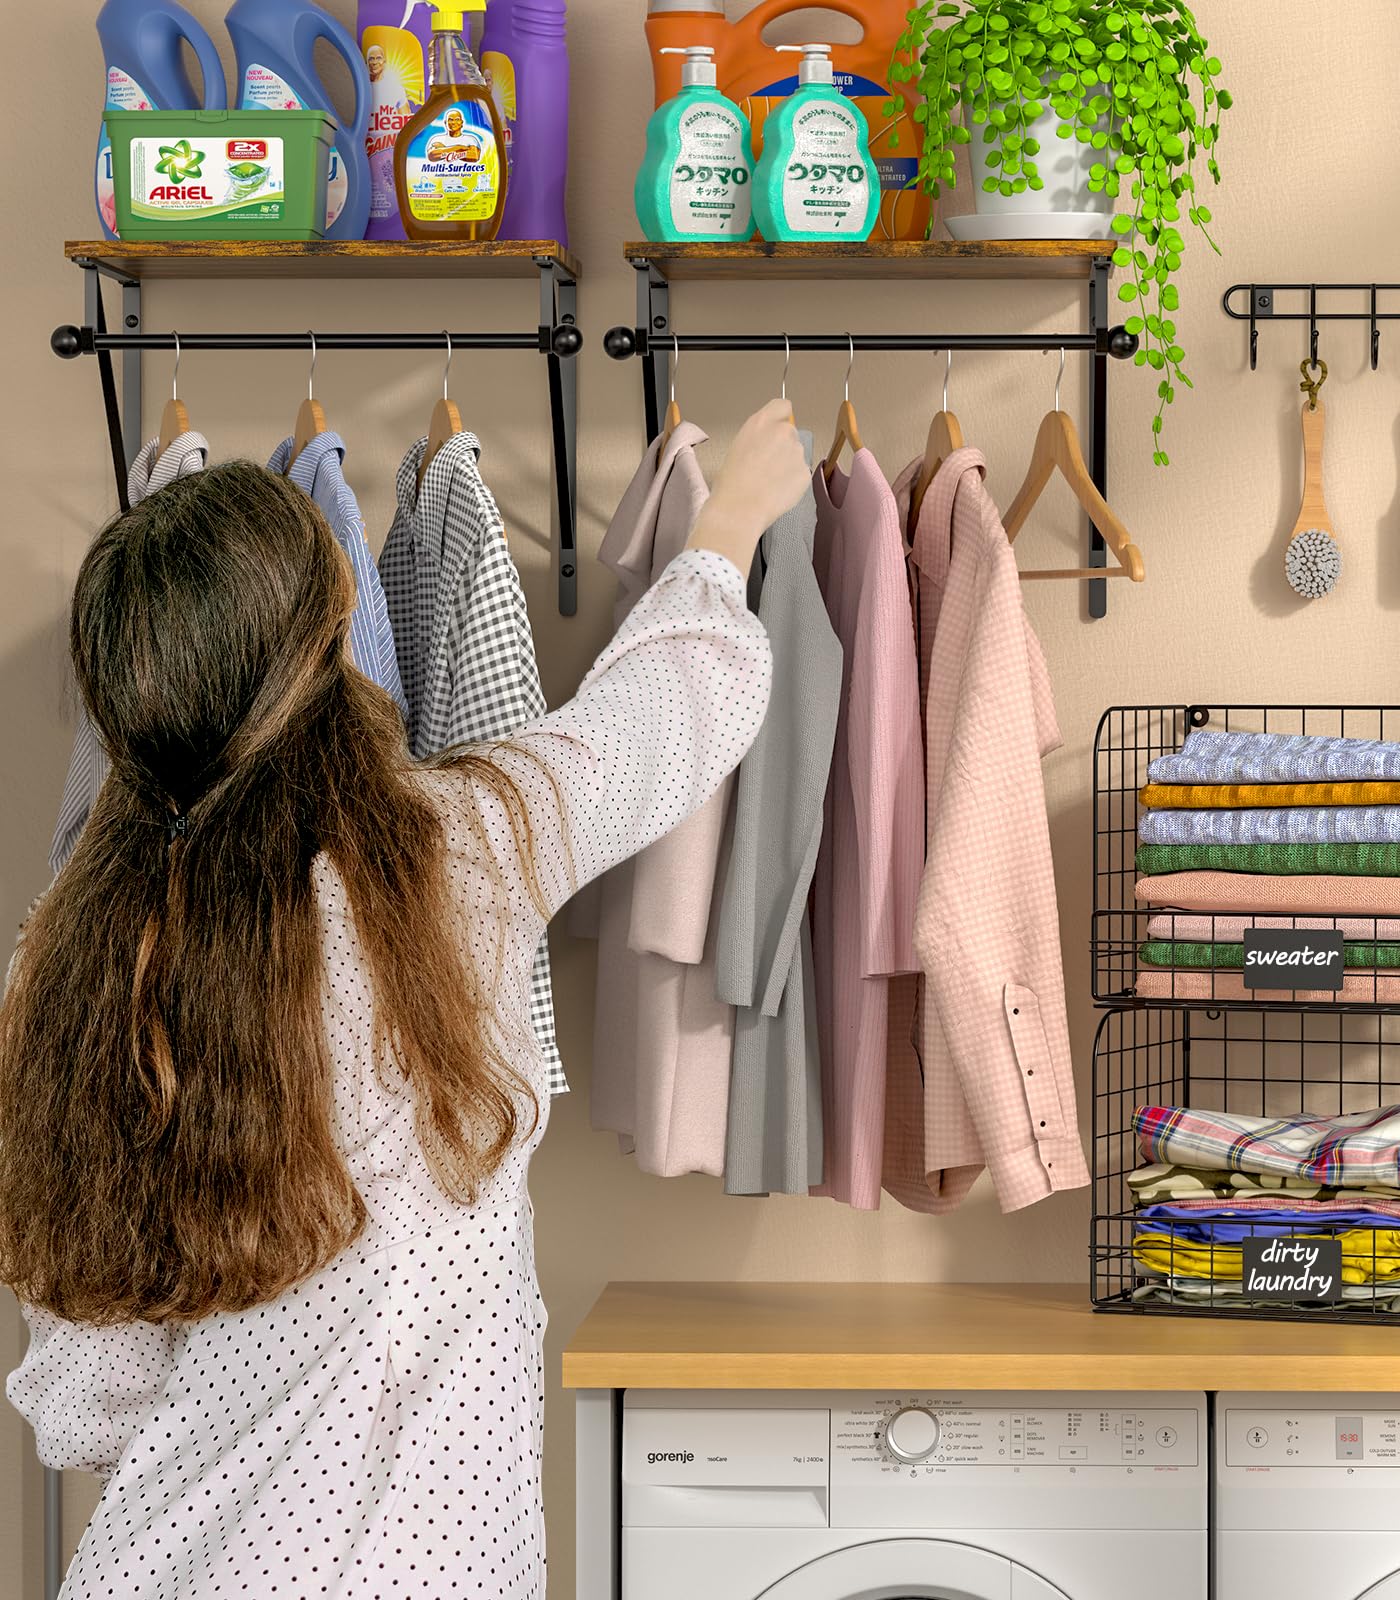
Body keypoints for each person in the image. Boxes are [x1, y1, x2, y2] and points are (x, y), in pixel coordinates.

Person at [0, 400, 809, 1598]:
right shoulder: (453, 861)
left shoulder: (62, 966)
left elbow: (84, 1409)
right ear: (326, 647)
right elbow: (666, 712)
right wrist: (730, 516)